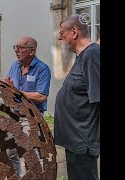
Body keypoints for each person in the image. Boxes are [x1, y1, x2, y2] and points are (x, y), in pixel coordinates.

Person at [54, 14, 100, 180]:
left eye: (62, 33)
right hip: (74, 140)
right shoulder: (83, 56)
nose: (60, 38)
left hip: (82, 140)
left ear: (74, 32)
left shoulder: (92, 54)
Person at [3, 36, 51, 114]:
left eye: (21, 48)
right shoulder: (15, 65)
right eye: (15, 47)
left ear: (31, 51)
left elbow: (41, 96)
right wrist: (6, 85)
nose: (16, 50)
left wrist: (15, 91)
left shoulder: (42, 69)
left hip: (33, 114)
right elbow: (8, 86)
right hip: (14, 111)